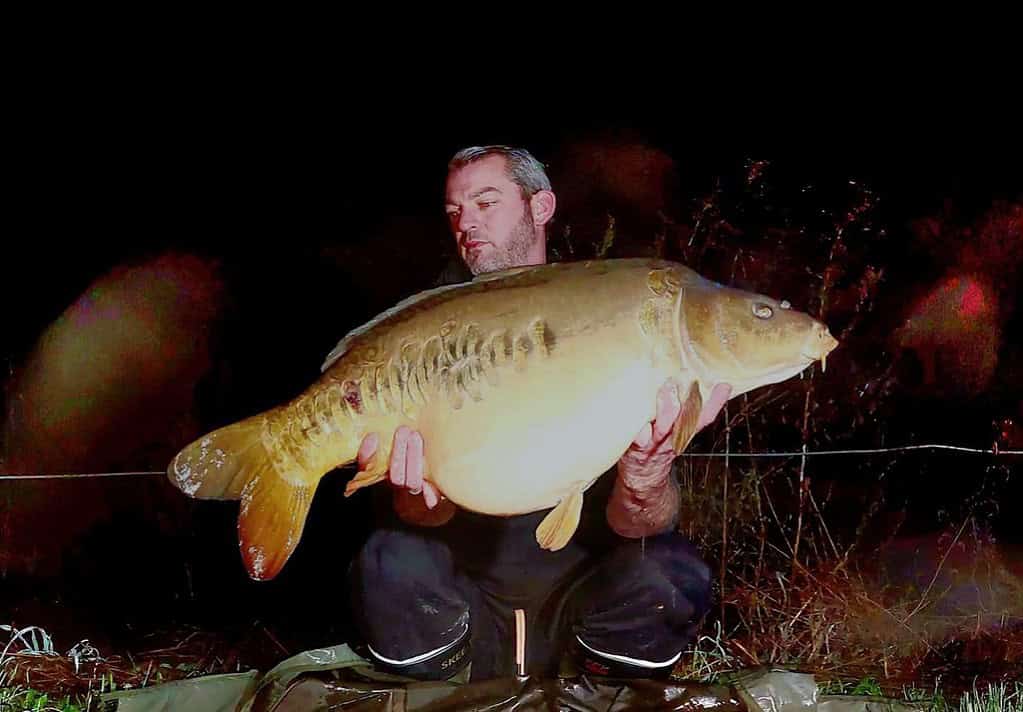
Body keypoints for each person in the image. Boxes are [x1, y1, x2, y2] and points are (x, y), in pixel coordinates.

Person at [347, 145, 733, 683]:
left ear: (541, 206)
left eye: (486, 203)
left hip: (582, 609)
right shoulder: (433, 328)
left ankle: (593, 687)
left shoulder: (609, 316)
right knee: (389, 562)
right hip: (467, 614)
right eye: (456, 211)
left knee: (670, 570)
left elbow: (642, 522)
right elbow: (425, 516)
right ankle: (447, 688)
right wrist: (416, 492)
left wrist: (646, 477)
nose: (467, 224)